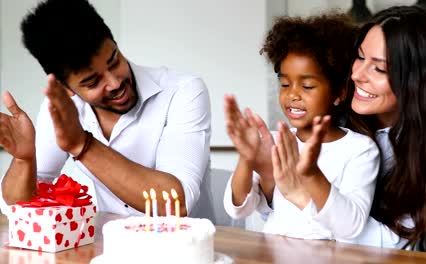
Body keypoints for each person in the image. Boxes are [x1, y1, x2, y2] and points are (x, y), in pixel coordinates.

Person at [0, 0, 211, 217]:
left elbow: (177, 203)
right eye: (93, 82)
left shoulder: (183, 91)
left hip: (190, 247)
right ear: (65, 88)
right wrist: (24, 161)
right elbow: (18, 207)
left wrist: (82, 145)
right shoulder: (61, 110)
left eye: (114, 61)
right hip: (109, 245)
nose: (115, 83)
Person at [223, 14, 380, 240]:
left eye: (307, 86)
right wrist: (247, 159)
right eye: (285, 84)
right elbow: (237, 209)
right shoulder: (275, 141)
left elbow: (350, 228)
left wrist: (307, 179)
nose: (292, 94)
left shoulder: (360, 150)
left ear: (339, 93)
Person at [346, 6, 426, 253]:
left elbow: (394, 242)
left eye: (379, 68)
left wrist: (312, 192)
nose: (357, 74)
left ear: (417, 81)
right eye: (360, 57)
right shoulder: (336, 123)